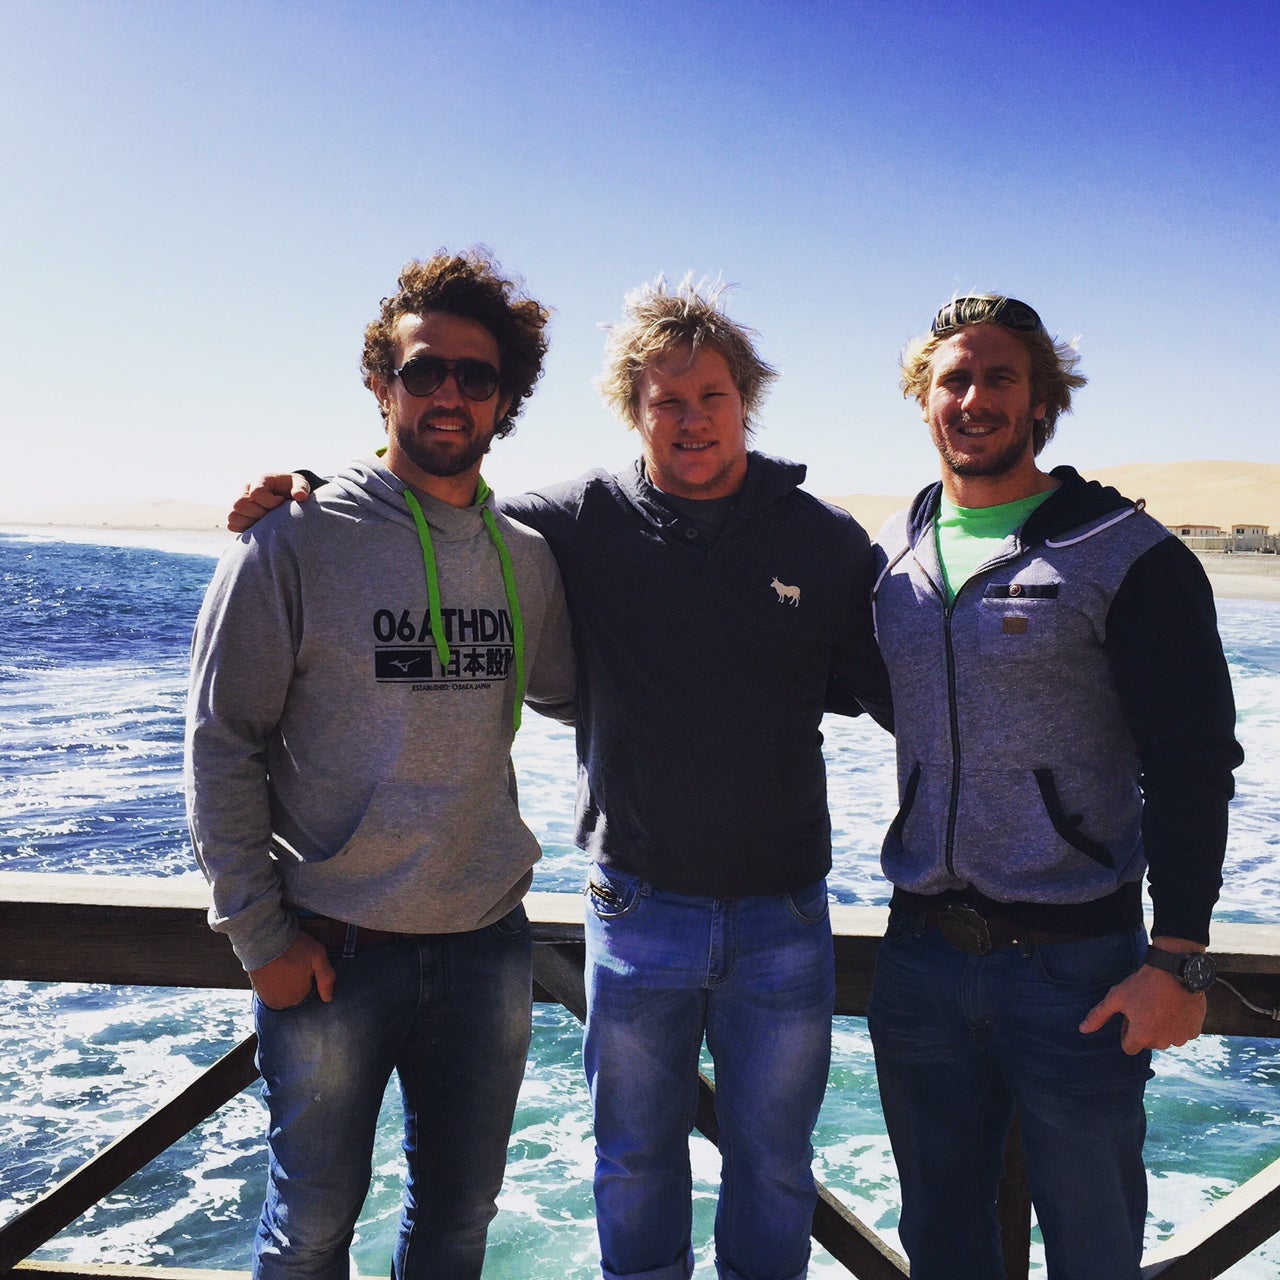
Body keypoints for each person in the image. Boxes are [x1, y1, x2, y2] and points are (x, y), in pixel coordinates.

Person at [230, 276, 893, 1280]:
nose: (689, 417)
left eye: (709, 394)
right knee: (624, 1164)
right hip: (628, 906)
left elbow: (902, 685)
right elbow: (428, 509)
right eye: (662, 398)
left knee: (769, 1167)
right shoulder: (570, 521)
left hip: (780, 914)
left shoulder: (823, 540)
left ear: (744, 399)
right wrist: (302, 494)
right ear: (632, 410)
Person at [185, 250, 575, 1280]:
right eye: (422, 369)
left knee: (456, 1223)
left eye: (475, 375)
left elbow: (588, 694)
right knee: (310, 1229)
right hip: (331, 949)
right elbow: (220, 739)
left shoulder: (525, 558)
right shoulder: (294, 538)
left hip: (488, 946)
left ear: (505, 397)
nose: (448, 391)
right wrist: (257, 934)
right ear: (381, 384)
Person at [866, 293, 1243, 1279]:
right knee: (940, 1243)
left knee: (1092, 1242)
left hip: (1075, 970)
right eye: (952, 377)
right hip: (918, 959)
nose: (973, 396)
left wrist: (1180, 956)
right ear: (922, 398)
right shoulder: (901, 549)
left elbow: (1191, 759)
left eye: (998, 376)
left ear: (1039, 402)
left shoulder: (1124, 553)